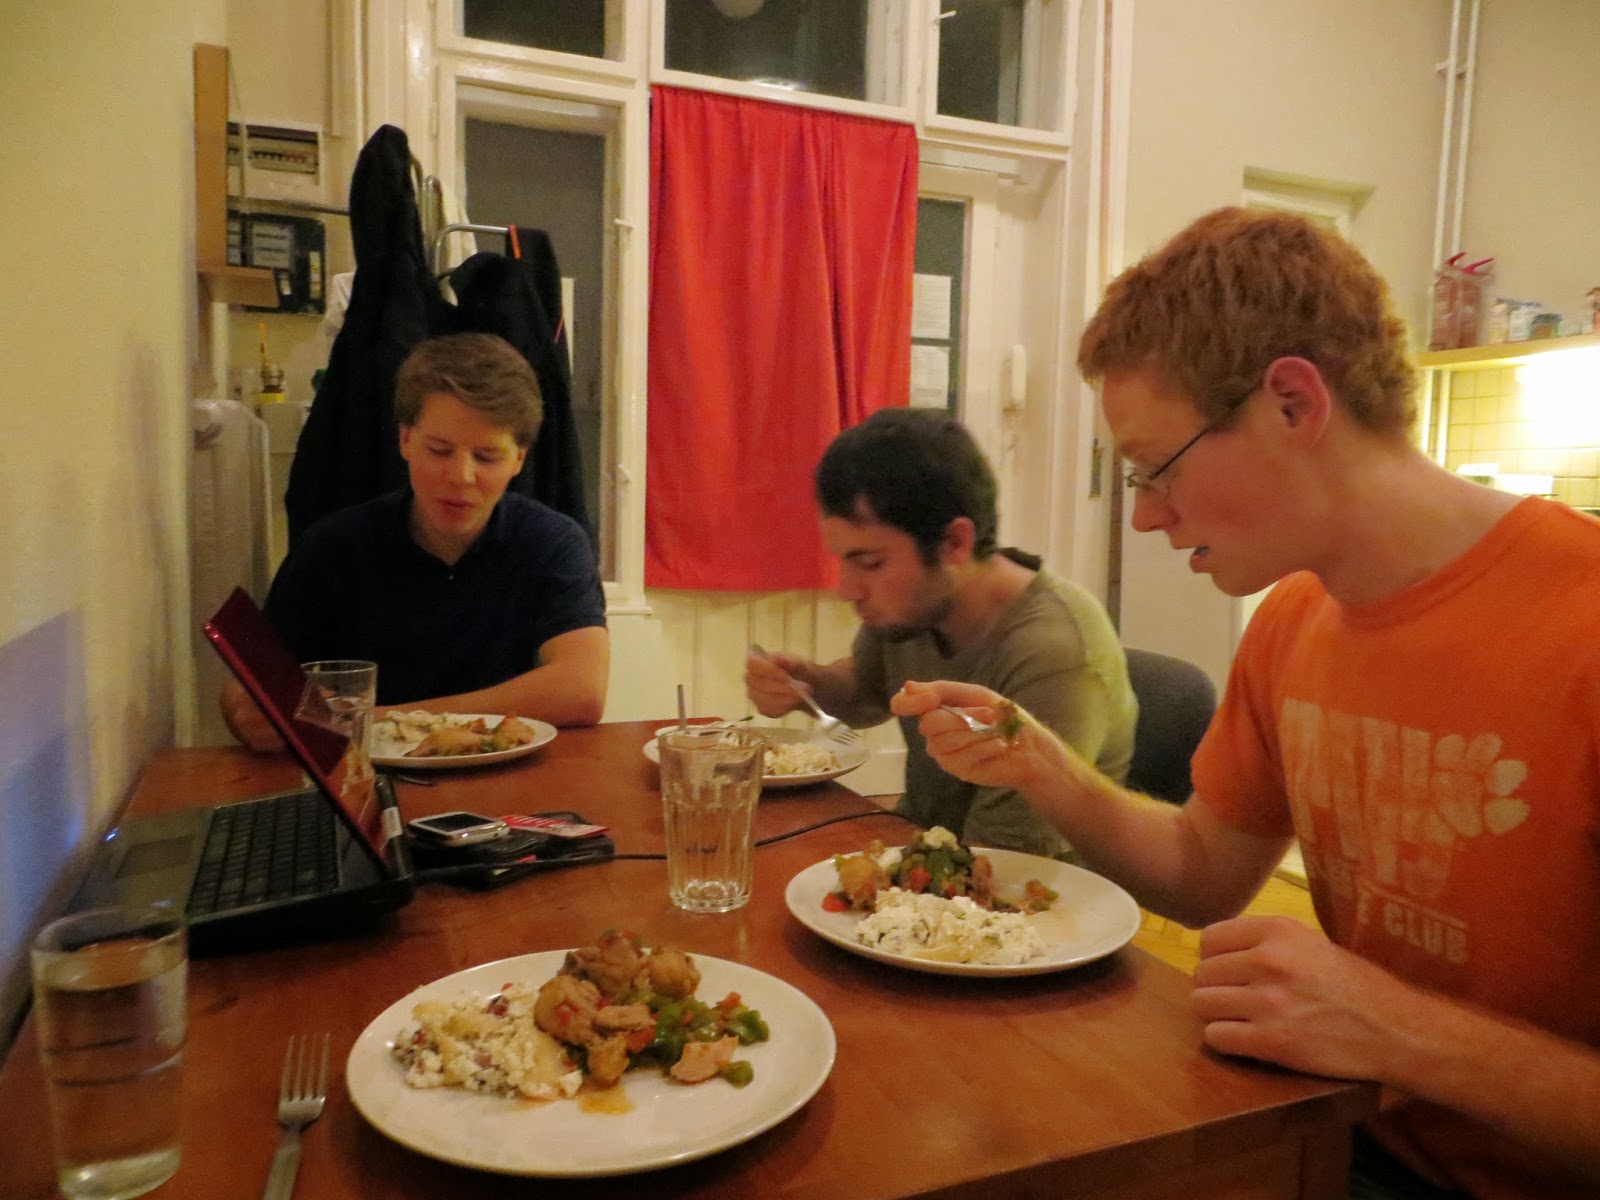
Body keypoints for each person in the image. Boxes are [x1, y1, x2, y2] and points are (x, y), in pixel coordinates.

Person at [893, 207, 1600, 1198]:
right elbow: (1202, 876)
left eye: (1156, 469)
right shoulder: (1294, 619)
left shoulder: (1578, 625)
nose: (1146, 514)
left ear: (1292, 404)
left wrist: (1399, 1033)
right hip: (1323, 1138)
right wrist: (1041, 765)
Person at [745, 407, 1136, 859]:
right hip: (928, 854)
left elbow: (1006, 859)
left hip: (1029, 886)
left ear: (954, 543)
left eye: (869, 562)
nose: (846, 590)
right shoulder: (915, 608)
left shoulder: (1052, 652)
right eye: (843, 560)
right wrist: (806, 686)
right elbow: (869, 691)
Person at [223, 332, 608, 751]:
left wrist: (375, 721)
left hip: (505, 777)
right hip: (364, 778)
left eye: (486, 457)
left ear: (519, 458)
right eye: (440, 450)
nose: (461, 476)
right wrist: (249, 710)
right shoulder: (333, 547)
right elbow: (246, 692)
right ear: (405, 439)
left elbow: (582, 688)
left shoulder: (552, 543)